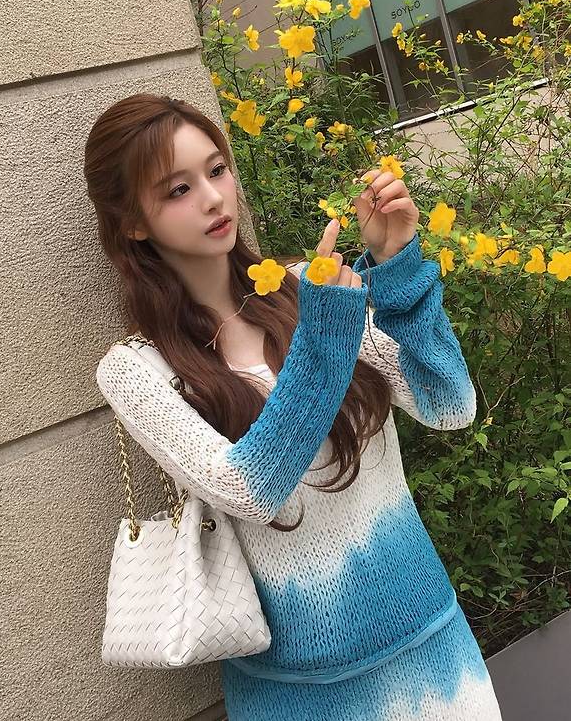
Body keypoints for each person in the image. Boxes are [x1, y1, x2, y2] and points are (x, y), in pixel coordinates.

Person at [84, 93, 503, 720]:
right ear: (133, 223)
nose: (214, 198)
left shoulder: (309, 288)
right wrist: (326, 334)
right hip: (295, 696)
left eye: (217, 170)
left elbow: (449, 406)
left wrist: (396, 270)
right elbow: (253, 491)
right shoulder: (137, 371)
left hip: (433, 654)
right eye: (178, 189)